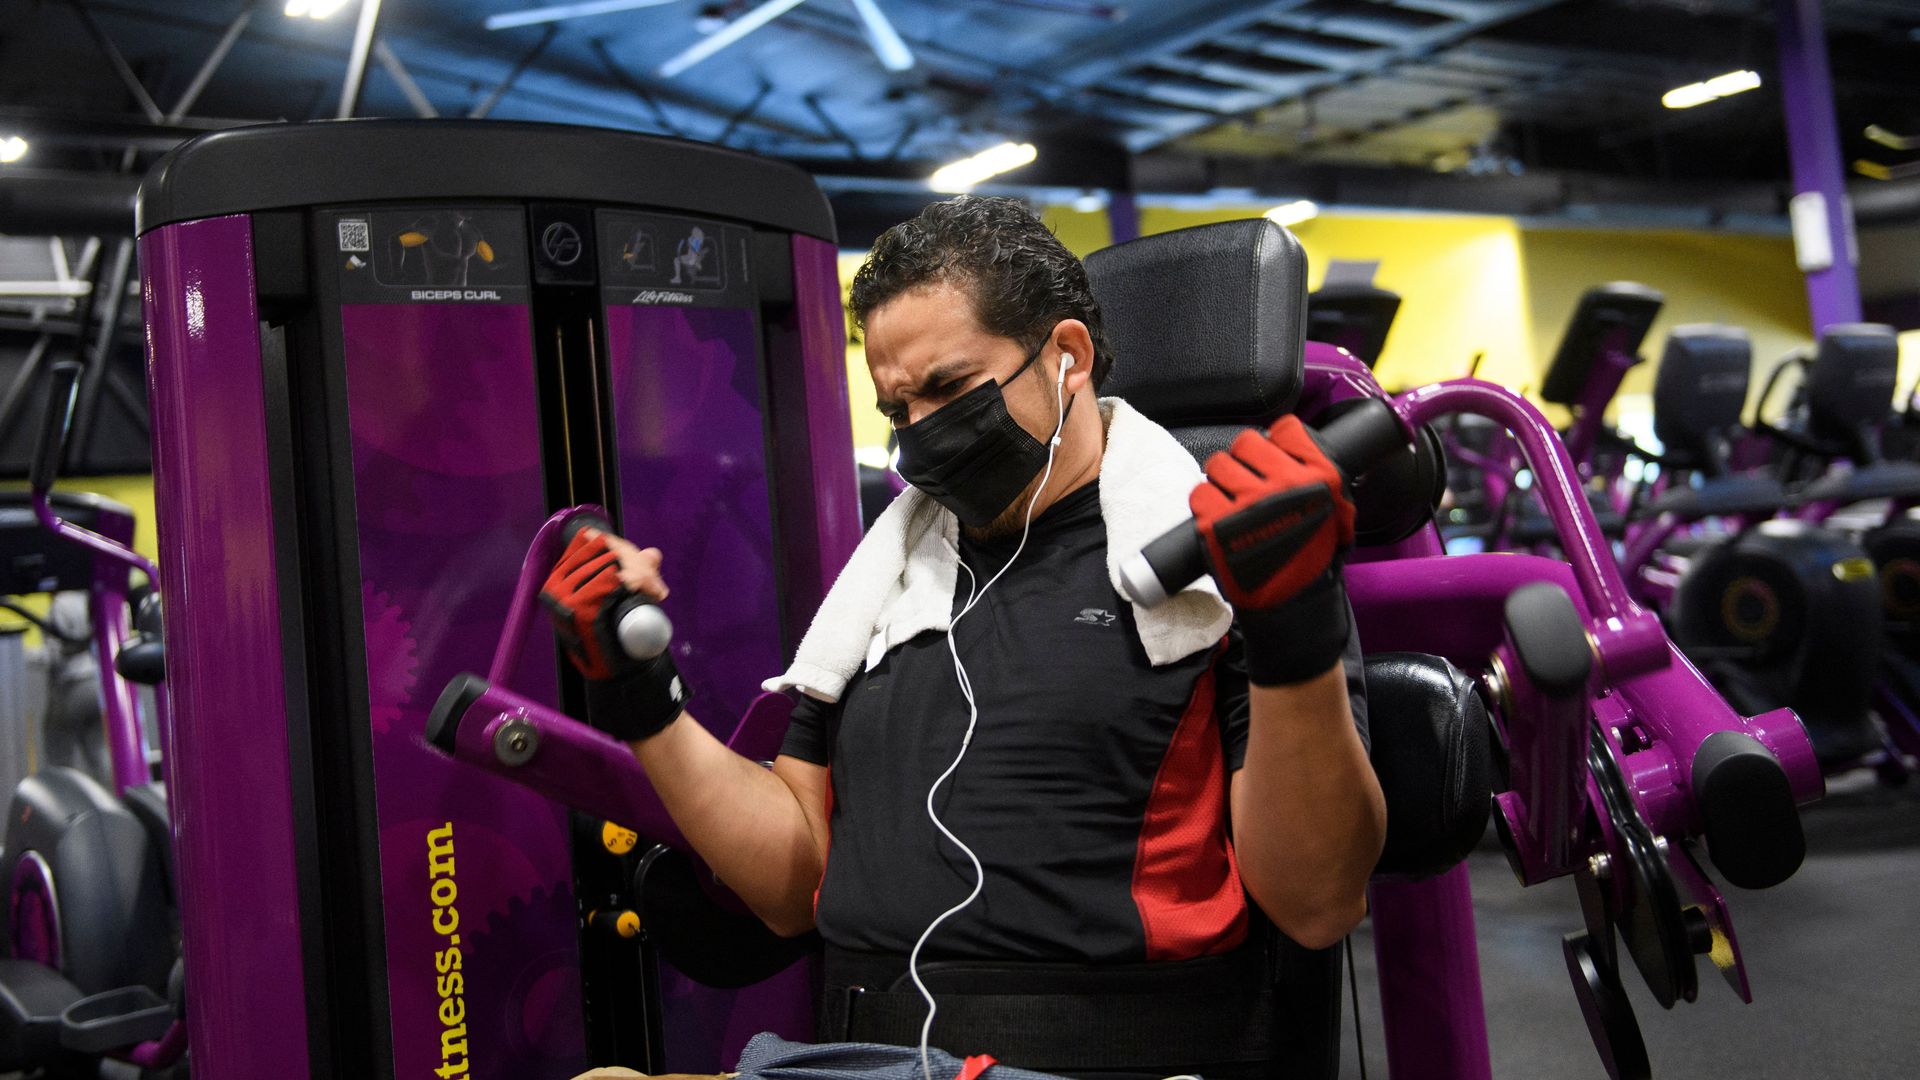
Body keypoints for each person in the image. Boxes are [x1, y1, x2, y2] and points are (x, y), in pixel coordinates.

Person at [540, 196, 1386, 1074]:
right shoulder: (887, 584)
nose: (921, 434)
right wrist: (642, 698)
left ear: (1067, 356)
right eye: (898, 408)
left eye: (949, 388)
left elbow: (1319, 902)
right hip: (860, 1059)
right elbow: (794, 887)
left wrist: (1290, 624)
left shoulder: (1214, 564)